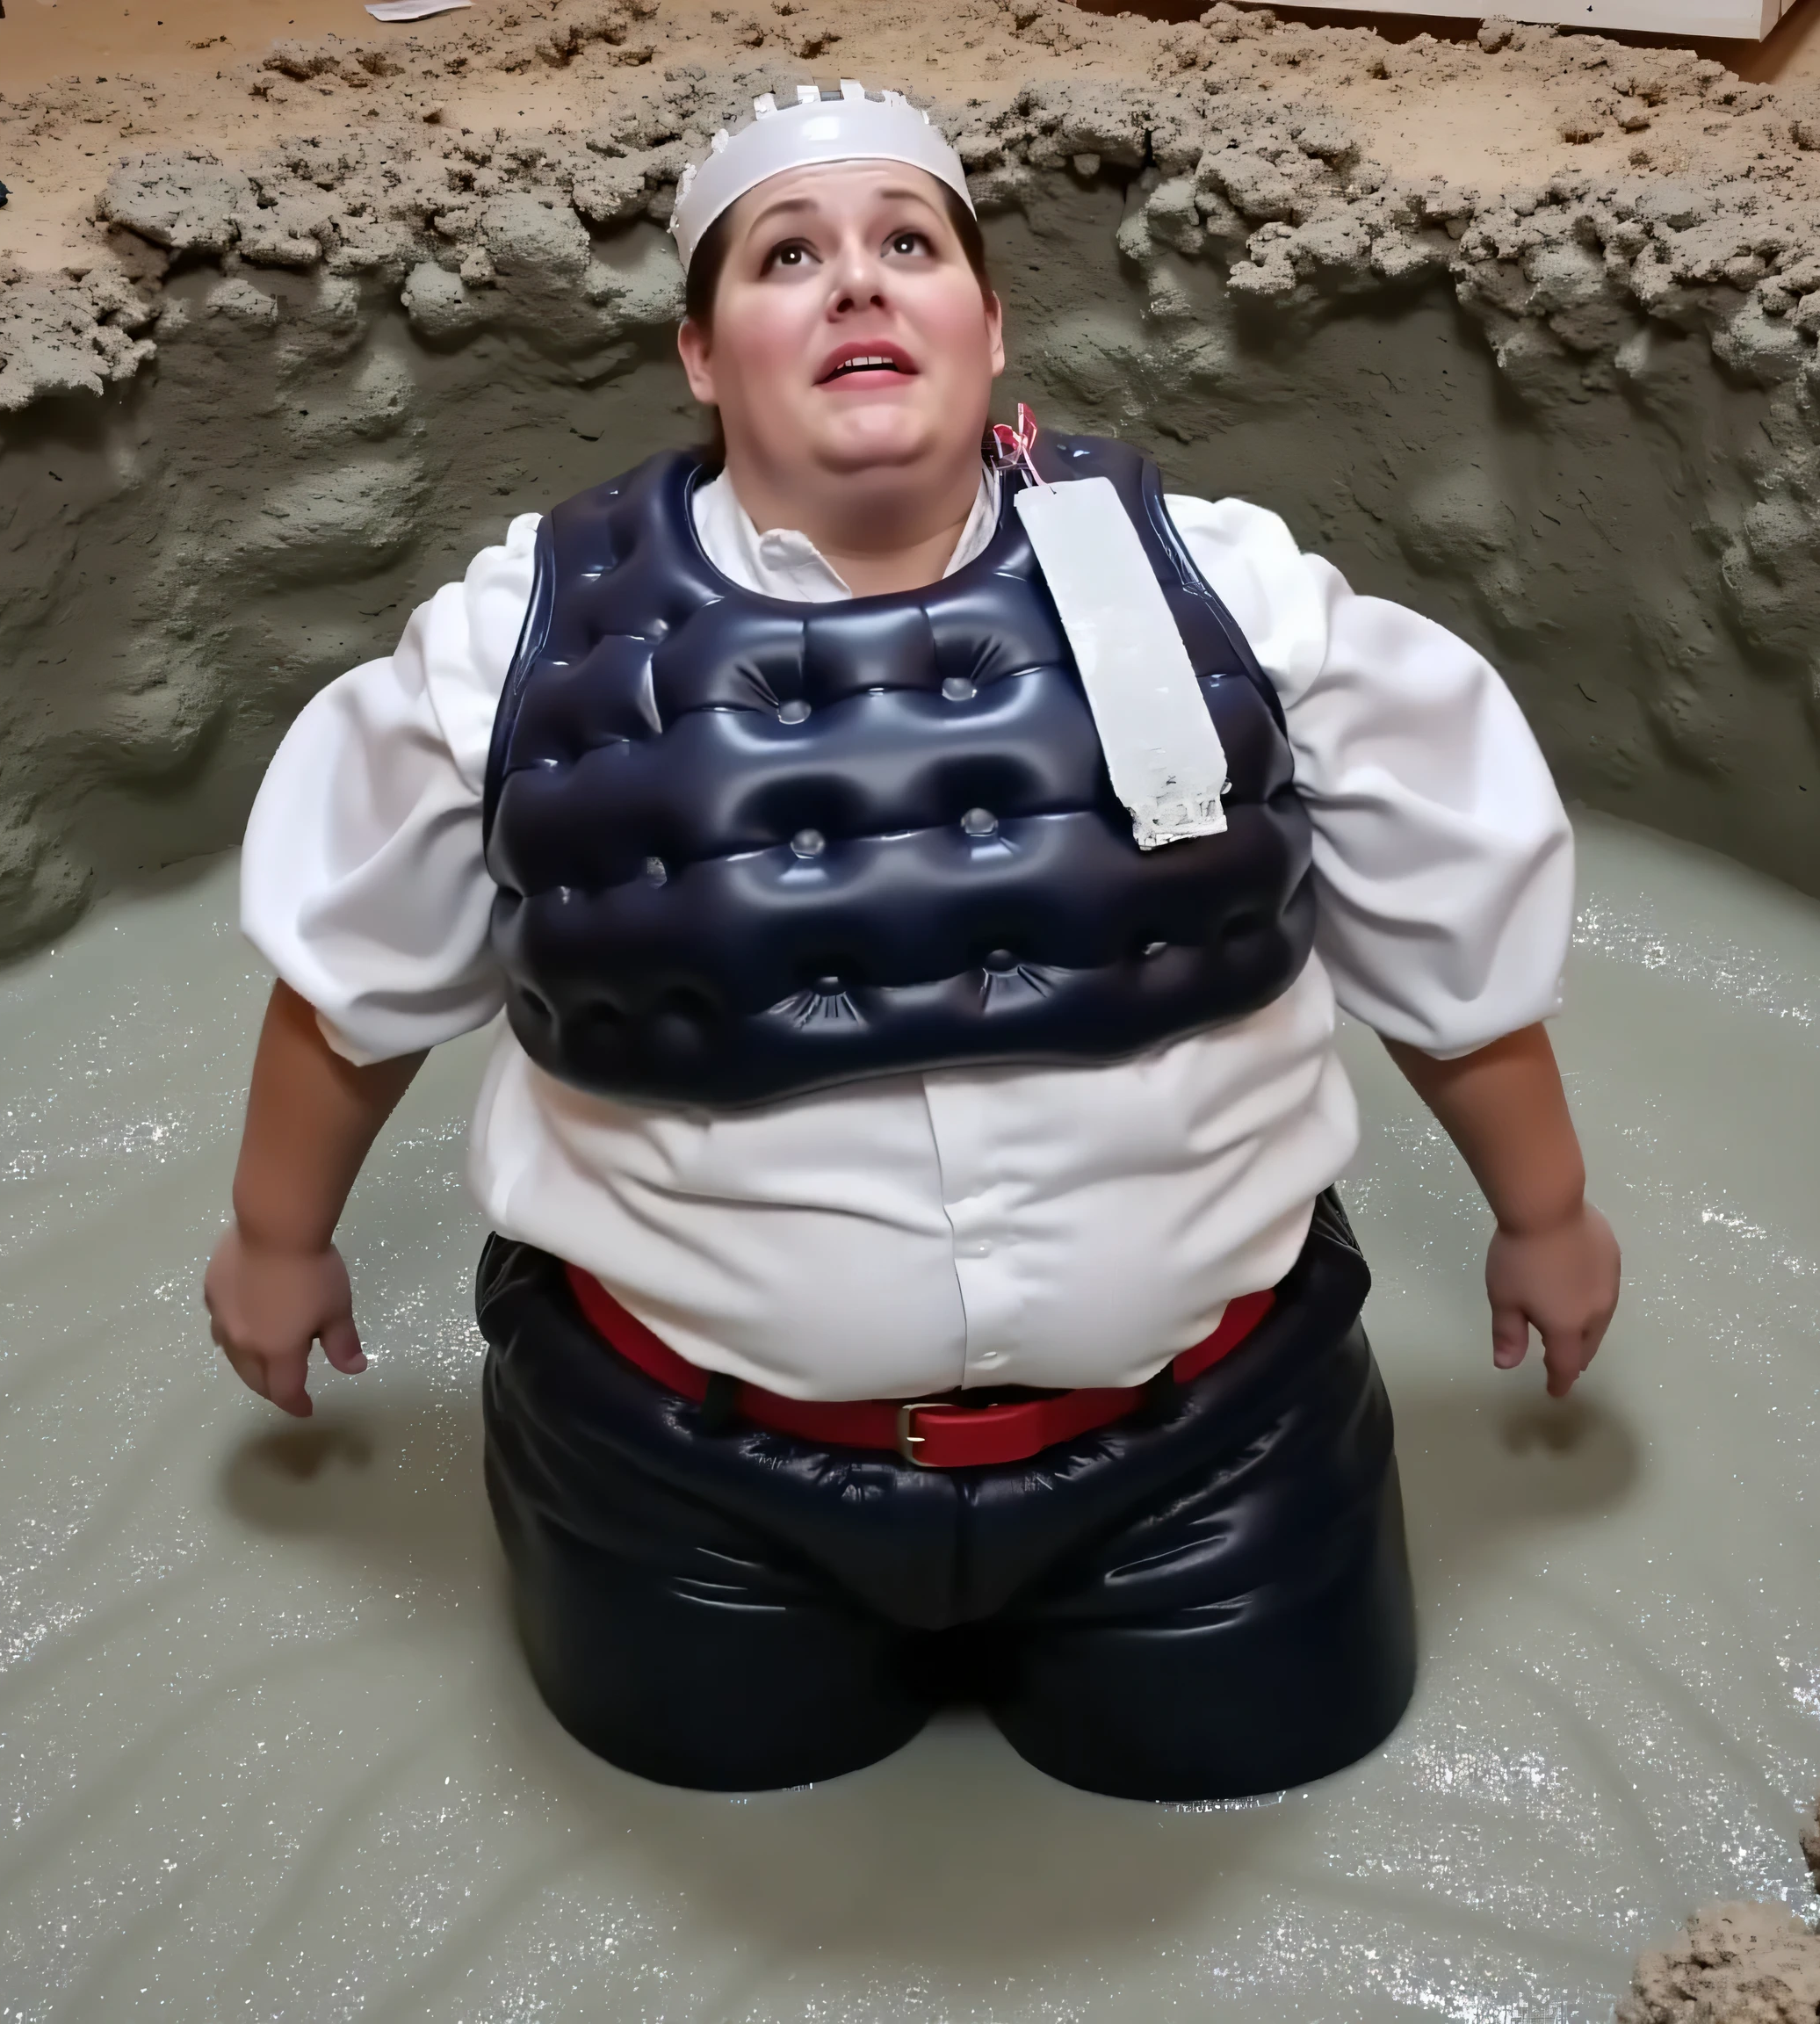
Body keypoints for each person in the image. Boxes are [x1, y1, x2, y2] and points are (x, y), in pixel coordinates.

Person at [204, 83, 1621, 1803]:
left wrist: (1543, 1213)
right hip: (685, 1484)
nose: (858, 285)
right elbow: (352, 996)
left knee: (1269, 1770)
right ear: (703, 354)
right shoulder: (507, 647)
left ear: (990, 322)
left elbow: (1446, 951)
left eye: (908, 244)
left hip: (1213, 1457)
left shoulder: (1237, 597)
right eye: (789, 256)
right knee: (709, 1808)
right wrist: (280, 1241)